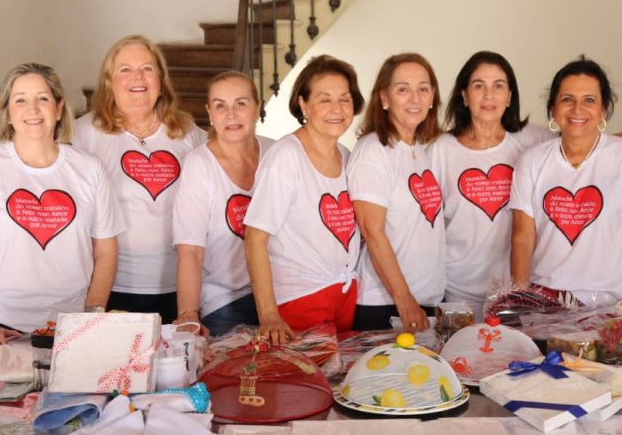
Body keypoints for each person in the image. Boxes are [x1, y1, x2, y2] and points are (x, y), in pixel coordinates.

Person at [0, 63, 125, 345]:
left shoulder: (89, 168)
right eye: (20, 100)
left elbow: (106, 248)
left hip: (73, 323)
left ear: (59, 109)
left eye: (43, 98)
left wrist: (92, 312)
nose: (33, 109)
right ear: (8, 112)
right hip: (4, 327)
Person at [74, 35, 206, 322]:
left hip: (181, 288)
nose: (138, 77)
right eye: (125, 69)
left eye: (147, 68)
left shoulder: (188, 132)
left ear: (160, 80)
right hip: (113, 286)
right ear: (109, 82)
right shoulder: (82, 133)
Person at [509, 56, 622, 304]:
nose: (577, 109)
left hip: (606, 306)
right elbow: (522, 238)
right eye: (567, 99)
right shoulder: (532, 160)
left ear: (603, 109)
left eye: (589, 100)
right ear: (553, 108)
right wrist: (519, 304)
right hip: (544, 302)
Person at [244, 54, 363, 344]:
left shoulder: (347, 156)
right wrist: (269, 315)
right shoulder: (286, 156)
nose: (337, 109)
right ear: (303, 104)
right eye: (325, 99)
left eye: (345, 99)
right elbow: (255, 237)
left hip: (344, 296)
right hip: (299, 299)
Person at [430, 51, 550, 317]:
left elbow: (587, 142)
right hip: (456, 291)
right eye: (478, 86)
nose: (489, 95)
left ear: (509, 96)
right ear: (464, 95)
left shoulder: (535, 140)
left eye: (498, 86)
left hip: (516, 291)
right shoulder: (439, 149)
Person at [349, 53, 445, 332]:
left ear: (432, 98)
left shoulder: (419, 150)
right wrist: (404, 300)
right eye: (403, 89)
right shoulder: (373, 151)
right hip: (387, 305)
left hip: (423, 301)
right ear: (384, 98)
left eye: (423, 89)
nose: (415, 98)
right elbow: (372, 231)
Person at [172, 72, 273, 335]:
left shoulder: (277, 153)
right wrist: (188, 314)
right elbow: (191, 251)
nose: (231, 114)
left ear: (257, 107)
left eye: (241, 103)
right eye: (220, 105)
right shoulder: (199, 164)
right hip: (225, 301)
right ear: (209, 112)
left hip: (278, 293)